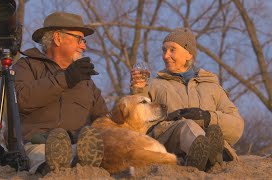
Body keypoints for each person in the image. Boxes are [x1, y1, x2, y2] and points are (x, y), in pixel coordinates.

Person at [130, 27, 244, 171]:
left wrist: (208, 117)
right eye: (164, 50)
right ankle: (210, 156)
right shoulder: (153, 85)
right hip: (168, 141)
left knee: (214, 129)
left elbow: (237, 124)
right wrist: (138, 90)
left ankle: (210, 154)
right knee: (187, 125)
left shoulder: (212, 86)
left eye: (172, 50)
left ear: (189, 54)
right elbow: (135, 121)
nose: (165, 56)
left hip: (208, 137)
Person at [13, 12, 108, 174]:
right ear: (57, 38)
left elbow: (104, 119)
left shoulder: (86, 81)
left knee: (94, 153)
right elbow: (22, 100)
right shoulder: (27, 66)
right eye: (79, 39)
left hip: (80, 146)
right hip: (39, 144)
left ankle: (81, 166)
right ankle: (56, 169)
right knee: (44, 157)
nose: (84, 46)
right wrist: (66, 79)